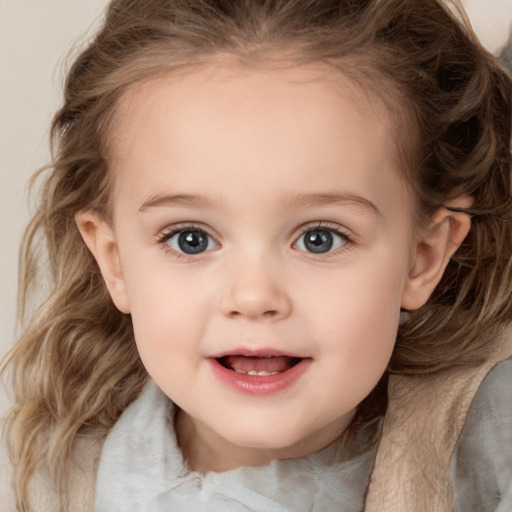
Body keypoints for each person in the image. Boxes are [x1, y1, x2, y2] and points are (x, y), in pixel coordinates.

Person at [2, 0, 512, 510]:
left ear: (422, 257)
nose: (253, 297)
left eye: (320, 238)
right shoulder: (60, 474)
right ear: (114, 262)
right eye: (190, 239)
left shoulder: (483, 449)